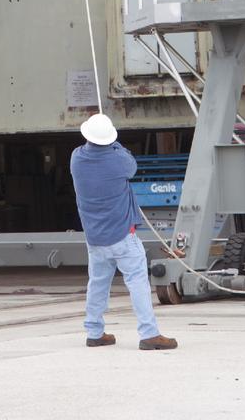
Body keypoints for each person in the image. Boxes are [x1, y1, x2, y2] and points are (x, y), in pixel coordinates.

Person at [70, 113, 177, 351]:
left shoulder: (76, 158)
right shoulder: (118, 160)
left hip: (94, 237)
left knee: (97, 284)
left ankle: (94, 332)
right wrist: (114, 143)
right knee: (137, 282)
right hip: (121, 235)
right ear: (110, 139)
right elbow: (131, 166)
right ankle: (149, 334)